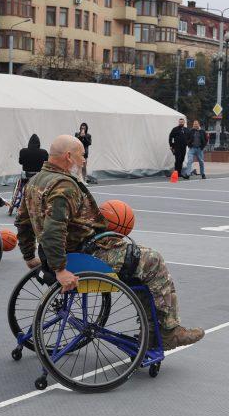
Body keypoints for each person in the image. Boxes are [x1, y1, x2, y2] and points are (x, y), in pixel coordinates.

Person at [15, 134, 204, 350]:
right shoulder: (63, 186)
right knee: (152, 260)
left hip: (60, 254)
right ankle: (168, 331)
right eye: (81, 155)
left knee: (139, 264)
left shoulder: (34, 182)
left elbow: (23, 222)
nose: (84, 160)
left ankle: (153, 331)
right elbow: (53, 230)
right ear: (68, 156)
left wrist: (30, 255)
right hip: (83, 257)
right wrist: (60, 270)